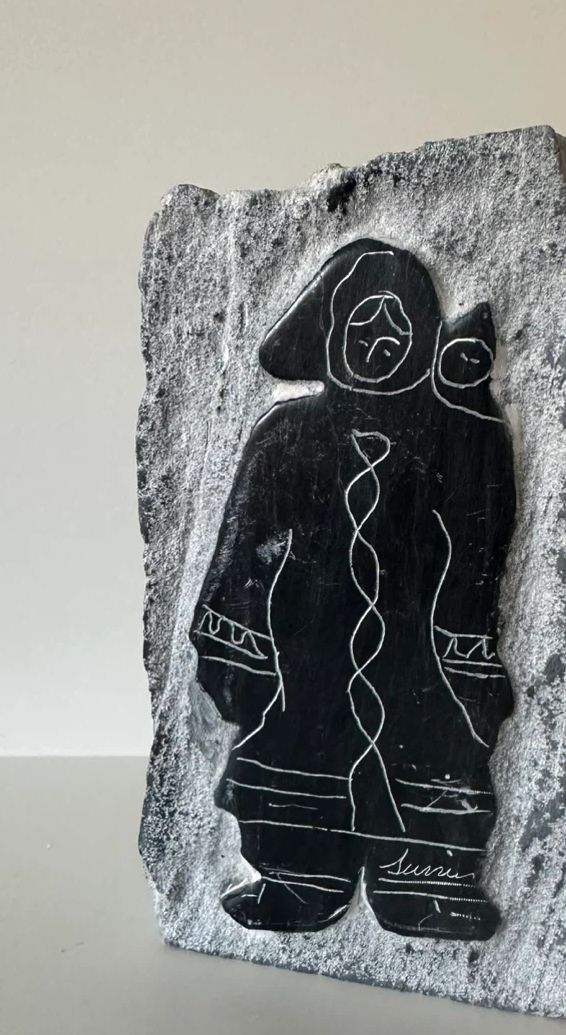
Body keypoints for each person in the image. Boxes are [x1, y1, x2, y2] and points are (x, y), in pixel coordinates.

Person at [191, 238, 515, 940]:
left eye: (398, 326)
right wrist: (233, 652)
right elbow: (243, 553)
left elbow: (481, 559)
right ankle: (298, 878)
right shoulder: (286, 435)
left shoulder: (463, 437)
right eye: (362, 325)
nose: (380, 343)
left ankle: (423, 881)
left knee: (429, 753)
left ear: (424, 335)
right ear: (331, 334)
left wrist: (471, 665)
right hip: (307, 656)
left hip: (418, 656)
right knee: (299, 753)